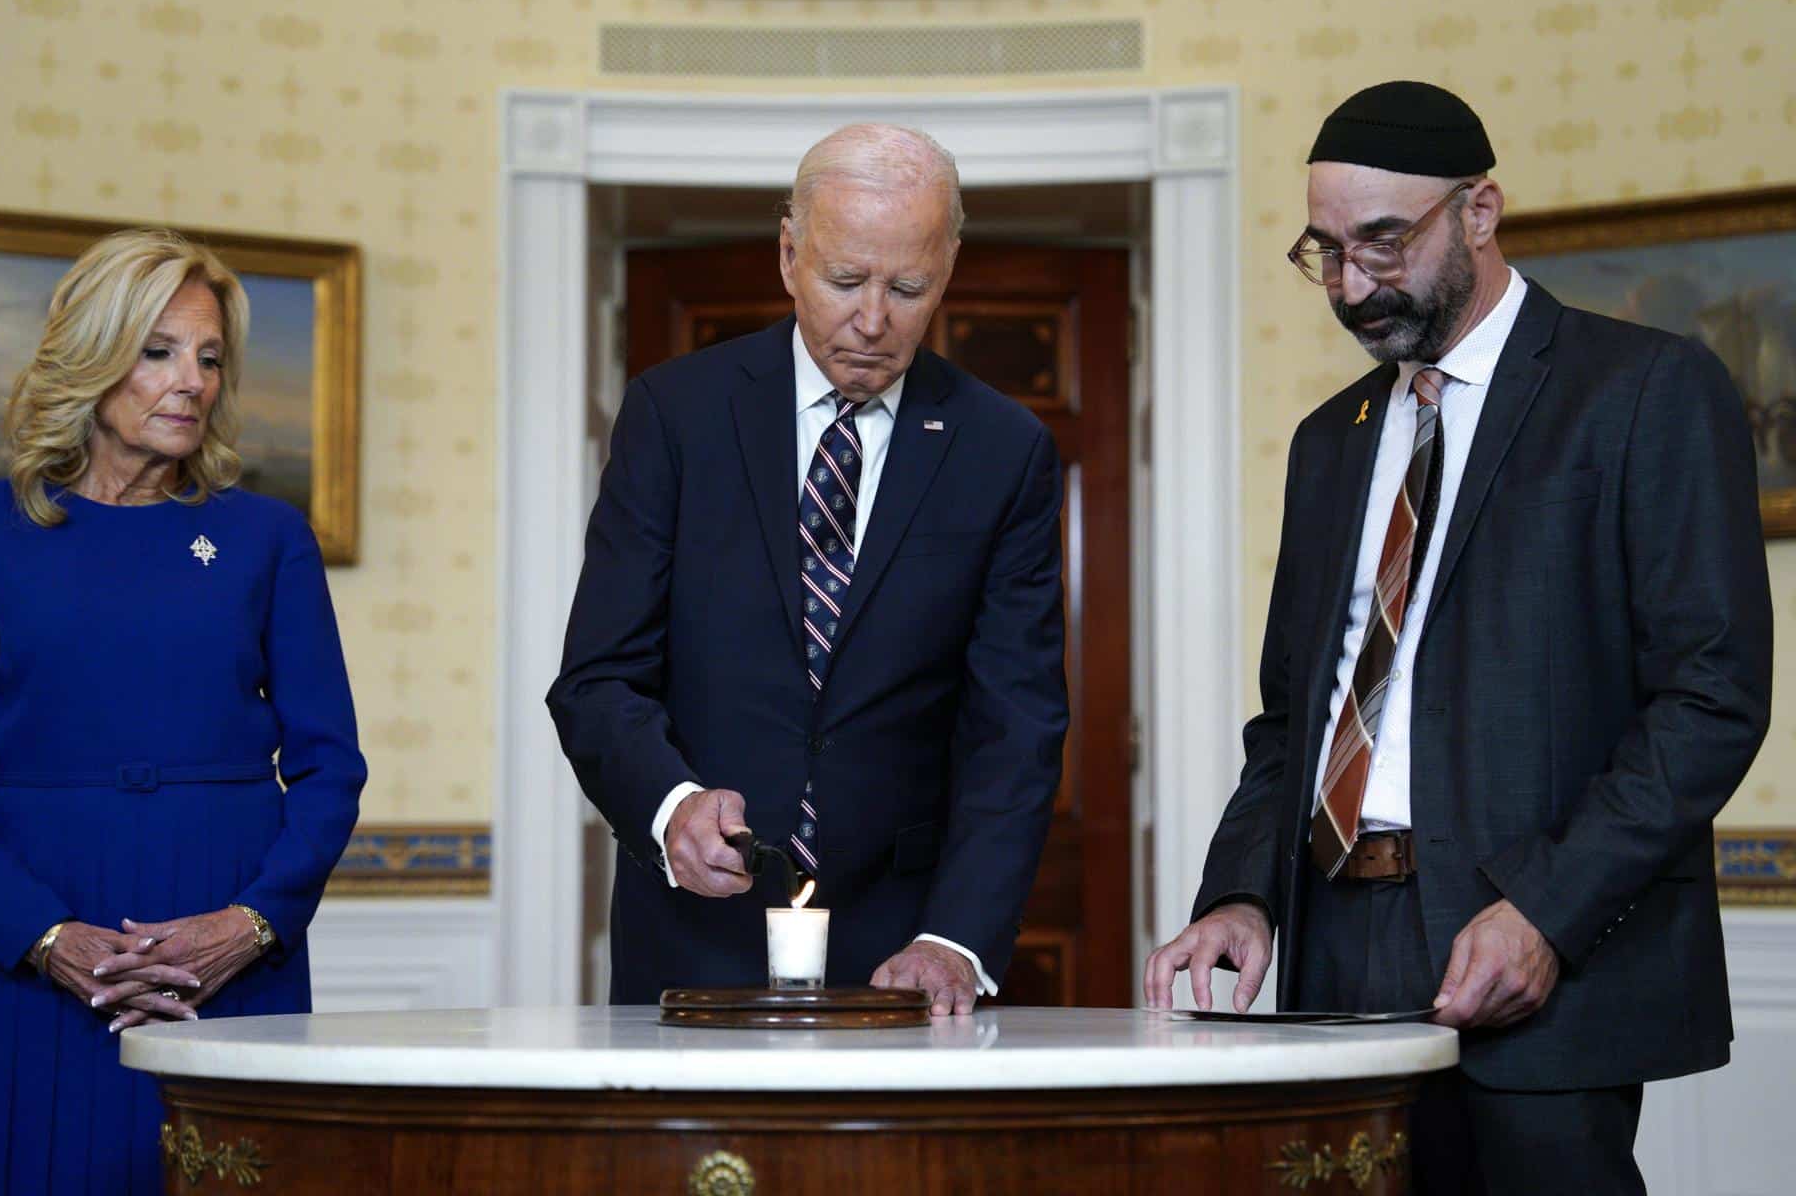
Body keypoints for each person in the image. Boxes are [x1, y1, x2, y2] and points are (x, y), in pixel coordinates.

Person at [1143, 81, 1772, 1193]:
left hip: (1532, 950)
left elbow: (1711, 695)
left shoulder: (1641, 391)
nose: (1351, 284)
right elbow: (1297, 717)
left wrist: (1548, 909)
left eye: (1383, 243)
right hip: (1336, 958)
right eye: (1325, 251)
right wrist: (1240, 893)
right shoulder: (1327, 441)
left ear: (1478, 211)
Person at [549, 124, 1068, 1015]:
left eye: (908, 288)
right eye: (844, 281)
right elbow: (598, 679)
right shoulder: (676, 417)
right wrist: (671, 805)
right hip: (697, 935)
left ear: (946, 270)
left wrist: (957, 938)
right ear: (790, 255)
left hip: (904, 948)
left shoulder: (1003, 449)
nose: (874, 320)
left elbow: (1014, 727)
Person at [0, 229, 367, 1193]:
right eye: (157, 352)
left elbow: (329, 766)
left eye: (208, 358)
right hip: (37, 938)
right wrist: (42, 936)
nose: (189, 381)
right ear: (93, 355)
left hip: (232, 942)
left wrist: (252, 924)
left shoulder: (267, 537)